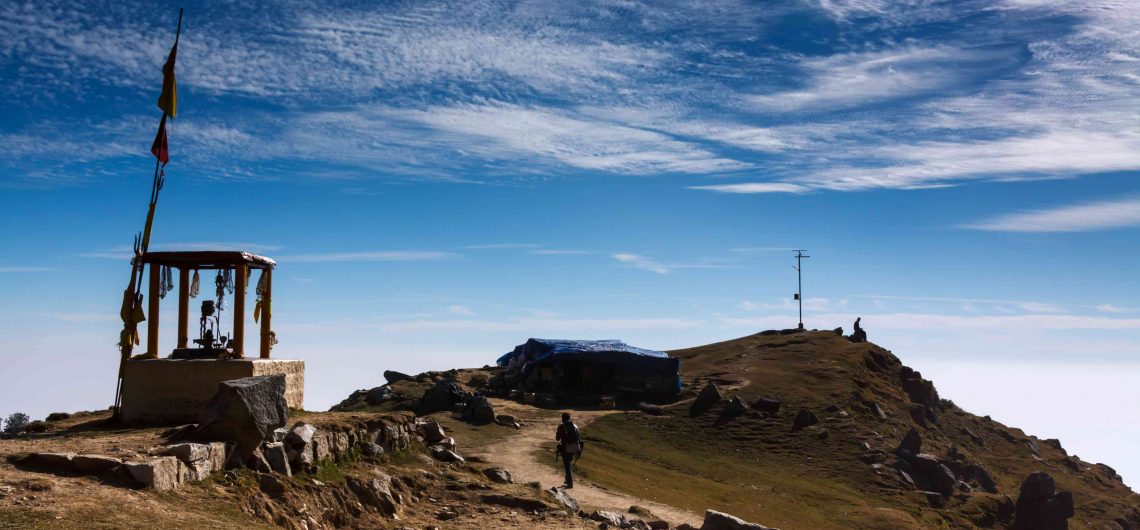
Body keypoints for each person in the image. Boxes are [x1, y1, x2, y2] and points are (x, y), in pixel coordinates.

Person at [555, 412, 582, 488]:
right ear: (569, 418)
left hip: (567, 448)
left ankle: (570, 483)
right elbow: (578, 438)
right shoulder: (575, 426)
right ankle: (567, 480)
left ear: (562, 418)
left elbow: (557, 438)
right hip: (576, 447)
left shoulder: (561, 426)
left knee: (567, 465)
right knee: (569, 463)